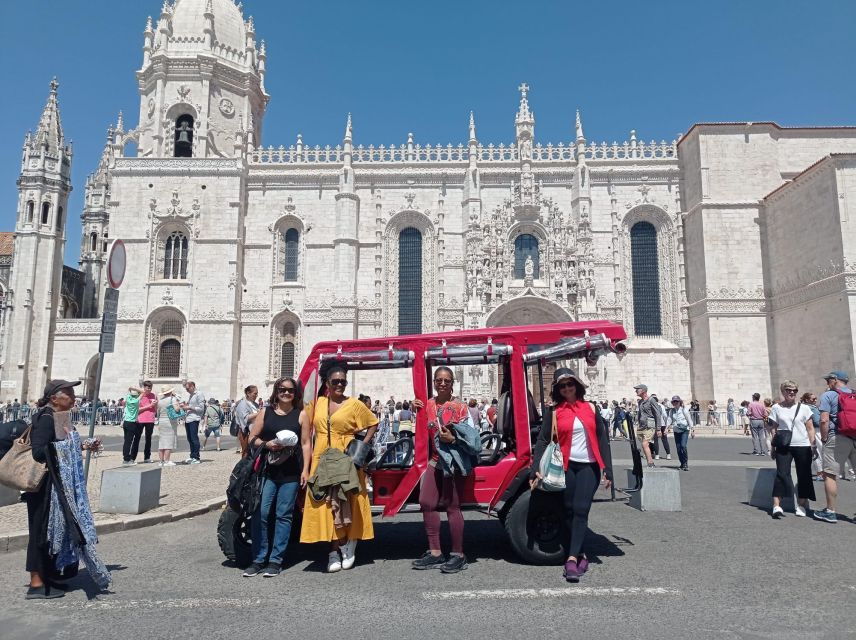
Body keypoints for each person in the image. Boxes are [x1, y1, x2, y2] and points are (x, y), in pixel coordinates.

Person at [24, 379, 108, 599]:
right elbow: (39, 452)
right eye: (68, 393)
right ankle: (35, 584)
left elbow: (61, 444)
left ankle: (49, 576)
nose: (73, 397)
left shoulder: (60, 417)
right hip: (43, 488)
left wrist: (84, 445)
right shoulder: (44, 418)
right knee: (39, 534)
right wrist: (69, 446)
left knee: (52, 534)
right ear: (54, 398)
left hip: (58, 485)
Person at [530, 368, 613, 582]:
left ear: (577, 385)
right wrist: (535, 467)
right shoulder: (554, 412)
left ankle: (572, 560)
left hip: (589, 466)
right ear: (558, 389)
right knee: (567, 511)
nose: (567, 388)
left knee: (581, 509)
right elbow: (542, 440)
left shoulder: (591, 408)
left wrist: (609, 470)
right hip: (565, 466)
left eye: (570, 384)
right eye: (563, 385)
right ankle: (581, 553)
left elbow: (603, 440)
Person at [300, 365, 378, 573]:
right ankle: (335, 549)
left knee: (348, 501)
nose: (340, 385)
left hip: (346, 459)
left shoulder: (353, 404)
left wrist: (362, 446)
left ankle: (348, 543)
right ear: (327, 383)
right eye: (335, 381)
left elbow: (372, 422)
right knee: (326, 505)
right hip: (322, 458)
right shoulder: (318, 403)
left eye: (343, 381)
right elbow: (299, 418)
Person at [410, 366, 476, 574]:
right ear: (434, 382)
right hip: (435, 461)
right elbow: (421, 428)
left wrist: (454, 439)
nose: (442, 383)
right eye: (439, 380)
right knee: (426, 502)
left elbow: (474, 439)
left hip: (453, 462)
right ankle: (435, 551)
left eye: (446, 380)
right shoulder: (427, 404)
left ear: (452, 383)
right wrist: (415, 410)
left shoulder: (461, 407)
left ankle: (458, 554)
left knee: (452, 506)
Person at [243, 377, 311, 578]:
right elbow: (251, 438)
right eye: (282, 389)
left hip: (290, 473)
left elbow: (306, 444)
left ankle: (275, 560)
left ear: (295, 393)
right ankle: (258, 559)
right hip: (267, 472)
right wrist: (267, 444)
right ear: (276, 391)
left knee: (284, 516)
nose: (286, 393)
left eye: (290, 390)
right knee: (261, 514)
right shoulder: (266, 412)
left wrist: (306, 470)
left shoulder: (301, 415)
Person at [768, 380, 816, 518]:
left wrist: (813, 445)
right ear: (783, 391)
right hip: (783, 445)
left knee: (804, 474)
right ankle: (776, 505)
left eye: (794, 390)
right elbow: (774, 428)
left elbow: (810, 428)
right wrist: (772, 446)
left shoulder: (804, 408)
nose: (792, 392)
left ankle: (801, 504)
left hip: (802, 445)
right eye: (788, 390)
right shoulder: (777, 407)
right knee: (782, 473)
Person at [815, 371, 855, 524]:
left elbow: (824, 420)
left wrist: (824, 438)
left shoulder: (829, 395)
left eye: (828, 380)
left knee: (830, 474)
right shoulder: (854, 394)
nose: (827, 383)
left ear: (835, 380)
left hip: (838, 436)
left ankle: (830, 511)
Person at [634, 383, 660, 468]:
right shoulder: (640, 402)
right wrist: (637, 423)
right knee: (644, 445)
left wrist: (658, 428)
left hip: (650, 426)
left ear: (643, 390)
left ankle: (650, 463)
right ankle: (650, 461)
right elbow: (640, 413)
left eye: (638, 389)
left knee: (645, 444)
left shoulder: (651, 400)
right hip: (641, 426)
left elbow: (657, 414)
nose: (636, 391)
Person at [156, 386, 182, 466]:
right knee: (168, 441)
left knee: (162, 442)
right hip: (170, 422)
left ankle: (161, 461)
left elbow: (158, 412)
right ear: (170, 392)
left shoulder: (160, 401)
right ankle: (167, 461)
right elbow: (177, 409)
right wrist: (179, 404)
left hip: (162, 421)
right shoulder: (172, 399)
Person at [180, 381, 205, 464]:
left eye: (187, 388)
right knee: (190, 438)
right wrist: (185, 405)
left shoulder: (199, 394)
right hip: (188, 418)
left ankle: (196, 457)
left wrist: (189, 407)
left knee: (194, 438)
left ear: (192, 386)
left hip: (194, 418)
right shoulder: (191, 395)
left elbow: (201, 408)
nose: (186, 390)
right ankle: (192, 456)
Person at [667, 395, 693, 470]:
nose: (675, 403)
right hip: (676, 430)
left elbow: (689, 420)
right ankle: (682, 463)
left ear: (679, 402)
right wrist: (666, 428)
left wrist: (692, 429)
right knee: (678, 448)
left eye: (676, 401)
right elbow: (669, 419)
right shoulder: (672, 411)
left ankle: (685, 463)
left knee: (683, 446)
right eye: (674, 401)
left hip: (684, 430)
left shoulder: (684, 410)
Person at [233, 385, 260, 457]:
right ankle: (244, 467)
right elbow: (246, 418)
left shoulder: (255, 404)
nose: (256, 395)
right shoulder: (243, 404)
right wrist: (259, 413)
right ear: (248, 393)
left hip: (255, 431)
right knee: (246, 453)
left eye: (257, 393)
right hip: (245, 432)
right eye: (255, 393)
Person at [137, 381, 158, 464]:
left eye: (150, 388)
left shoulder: (154, 395)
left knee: (148, 439)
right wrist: (149, 406)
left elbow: (155, 409)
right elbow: (137, 410)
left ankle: (147, 457)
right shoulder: (140, 396)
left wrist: (155, 404)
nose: (149, 389)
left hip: (150, 419)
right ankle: (132, 457)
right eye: (148, 387)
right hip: (140, 419)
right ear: (144, 387)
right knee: (137, 438)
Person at [121, 385, 143, 466]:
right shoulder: (136, 401)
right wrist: (136, 389)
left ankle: (125, 457)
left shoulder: (128, 398)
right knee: (129, 441)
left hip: (126, 422)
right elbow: (143, 392)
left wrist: (131, 388)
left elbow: (128, 391)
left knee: (126, 441)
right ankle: (126, 460)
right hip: (132, 422)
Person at [649, 395, 671, 461]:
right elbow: (665, 415)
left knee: (655, 440)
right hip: (663, 424)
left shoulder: (651, 406)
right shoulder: (662, 406)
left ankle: (657, 455)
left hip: (654, 425)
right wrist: (666, 425)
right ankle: (668, 454)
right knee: (664, 440)